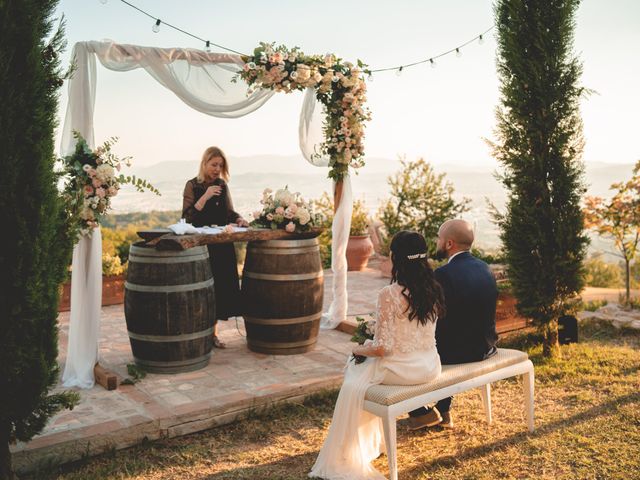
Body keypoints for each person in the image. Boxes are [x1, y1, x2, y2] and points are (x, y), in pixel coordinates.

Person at [309, 231, 445, 480]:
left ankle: (351, 448)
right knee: (362, 370)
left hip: (403, 372)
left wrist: (357, 348)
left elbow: (384, 349)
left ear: (396, 258)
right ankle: (370, 442)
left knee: (354, 372)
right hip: (430, 365)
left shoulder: (390, 294)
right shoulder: (433, 287)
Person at [408, 219, 498, 430]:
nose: (437, 242)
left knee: (409, 351)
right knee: (447, 336)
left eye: (439, 238)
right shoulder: (485, 268)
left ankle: (420, 412)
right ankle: (443, 409)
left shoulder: (442, 275)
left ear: (449, 244)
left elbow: (428, 315)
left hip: (459, 353)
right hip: (486, 346)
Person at [182, 146, 249, 349]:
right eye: (214, 165)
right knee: (203, 289)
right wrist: (205, 196)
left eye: (220, 165)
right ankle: (200, 334)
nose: (217, 169)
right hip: (201, 247)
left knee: (220, 289)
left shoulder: (222, 185)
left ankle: (213, 335)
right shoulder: (192, 185)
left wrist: (239, 218)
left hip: (221, 245)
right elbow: (187, 217)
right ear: (204, 164)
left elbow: (228, 212)